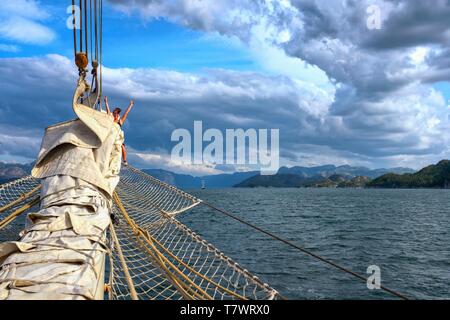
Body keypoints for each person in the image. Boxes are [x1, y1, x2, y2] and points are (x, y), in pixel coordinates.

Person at [104, 96, 134, 165]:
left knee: (122, 146)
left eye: (115, 113)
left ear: (117, 114)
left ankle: (124, 160)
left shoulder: (120, 121)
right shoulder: (110, 118)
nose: (114, 114)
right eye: (113, 112)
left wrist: (130, 105)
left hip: (117, 136)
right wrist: (106, 102)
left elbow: (126, 113)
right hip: (110, 134)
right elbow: (108, 111)